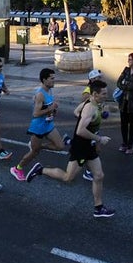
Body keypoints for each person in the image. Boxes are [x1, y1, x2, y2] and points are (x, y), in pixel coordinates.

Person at [25, 79, 116, 218]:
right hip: (81, 148)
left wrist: (89, 119)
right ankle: (40, 170)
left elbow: (76, 112)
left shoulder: (93, 103)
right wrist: (99, 138)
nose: (106, 95)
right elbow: (80, 130)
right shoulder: (90, 108)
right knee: (68, 177)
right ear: (95, 94)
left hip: (89, 146)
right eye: (104, 94)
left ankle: (98, 208)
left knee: (99, 175)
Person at [11, 68, 68, 182]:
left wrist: (53, 111)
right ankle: (17, 168)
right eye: (52, 78)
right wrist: (50, 108)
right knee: (34, 152)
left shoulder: (49, 90)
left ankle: (39, 146)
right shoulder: (40, 94)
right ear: (44, 80)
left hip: (48, 124)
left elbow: (47, 107)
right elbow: (36, 114)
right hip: (38, 127)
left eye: (54, 78)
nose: (54, 80)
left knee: (60, 146)